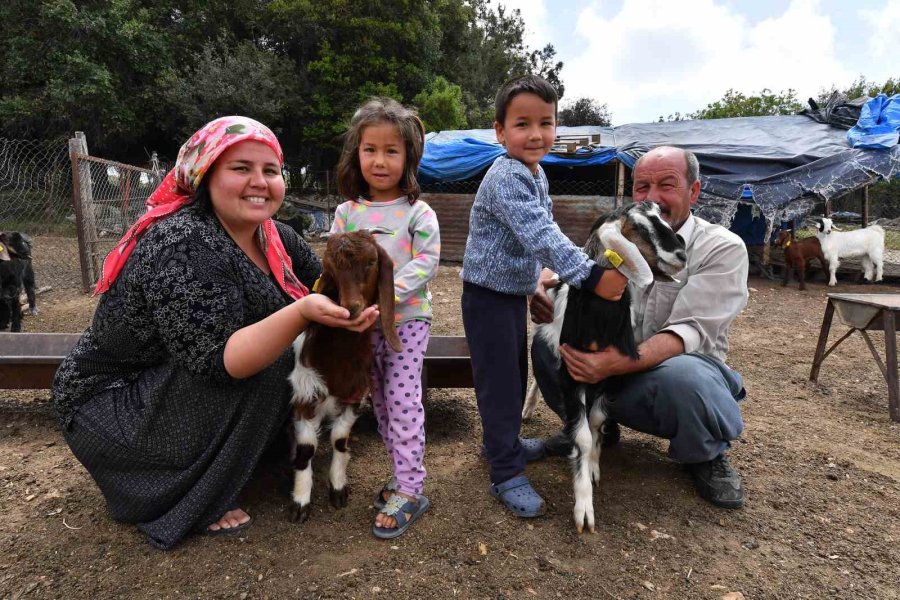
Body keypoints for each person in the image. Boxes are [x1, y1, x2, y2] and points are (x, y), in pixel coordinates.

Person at [51, 116, 379, 550]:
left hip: (177, 383)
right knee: (278, 356)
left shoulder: (275, 235)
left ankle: (240, 461)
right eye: (240, 168)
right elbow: (221, 361)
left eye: (270, 170)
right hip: (113, 404)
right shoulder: (180, 243)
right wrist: (302, 312)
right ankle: (191, 493)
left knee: (288, 352)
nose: (259, 182)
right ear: (205, 175)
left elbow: (327, 284)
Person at [528, 145, 749, 509]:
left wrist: (613, 363)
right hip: (620, 373)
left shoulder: (722, 248)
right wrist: (544, 280)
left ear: (693, 192)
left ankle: (705, 453)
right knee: (548, 342)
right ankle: (596, 431)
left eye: (667, 185)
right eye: (642, 187)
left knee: (685, 377)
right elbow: (579, 266)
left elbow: (687, 333)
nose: (652, 198)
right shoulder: (621, 235)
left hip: (676, 373)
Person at [460, 74, 627, 518]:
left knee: (512, 375)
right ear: (499, 131)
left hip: (509, 293)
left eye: (546, 123)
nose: (536, 134)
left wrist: (536, 281)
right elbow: (542, 233)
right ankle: (505, 470)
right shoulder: (506, 176)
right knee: (499, 383)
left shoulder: (536, 172)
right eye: (522, 124)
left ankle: (502, 442)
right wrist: (590, 276)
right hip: (486, 297)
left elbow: (532, 241)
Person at [332, 98, 440, 538]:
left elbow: (427, 261)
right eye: (370, 149)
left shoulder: (419, 213)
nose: (379, 160)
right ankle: (400, 473)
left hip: (408, 321)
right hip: (362, 325)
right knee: (377, 396)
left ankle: (412, 488)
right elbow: (339, 263)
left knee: (402, 397)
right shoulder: (347, 213)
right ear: (356, 153)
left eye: (391, 151)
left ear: (408, 157)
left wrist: (384, 295)